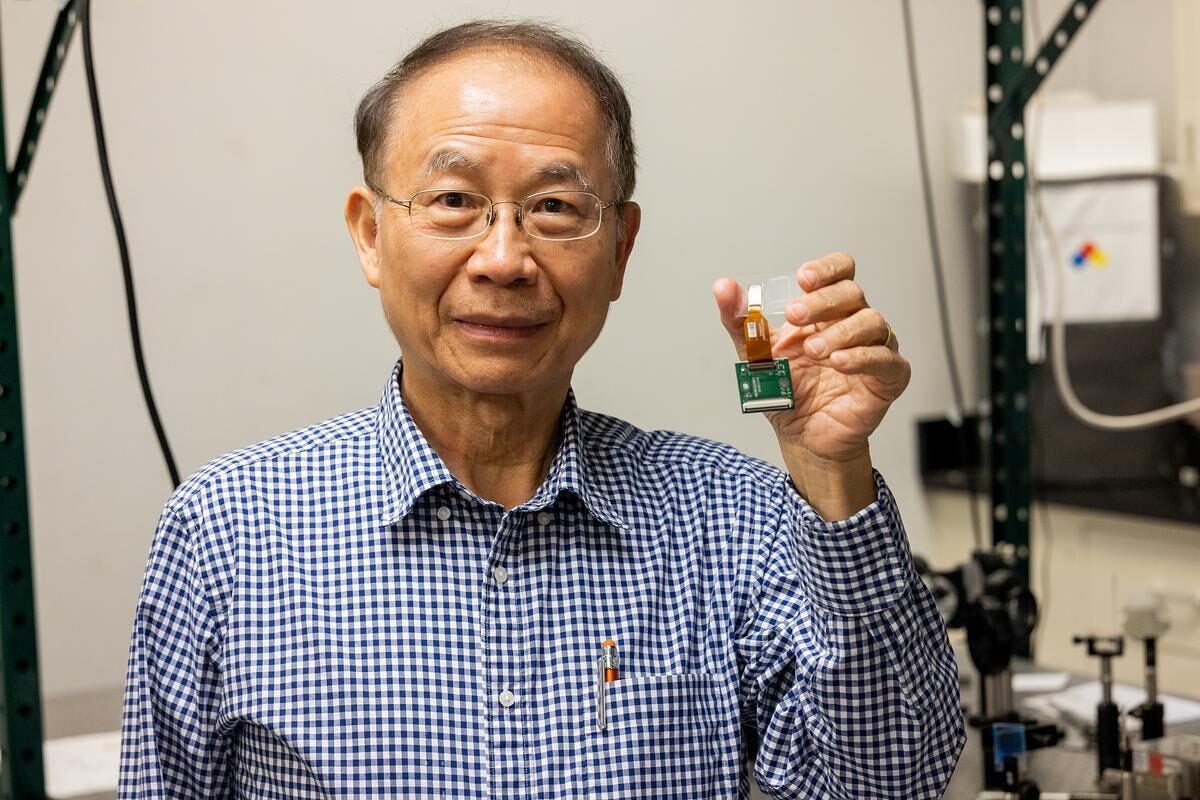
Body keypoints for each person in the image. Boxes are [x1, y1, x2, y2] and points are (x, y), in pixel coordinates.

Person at [119, 19, 964, 800]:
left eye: (556, 207)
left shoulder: (729, 517)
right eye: (453, 200)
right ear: (371, 235)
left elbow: (891, 781)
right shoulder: (227, 530)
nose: (504, 258)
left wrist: (831, 470)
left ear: (622, 249)